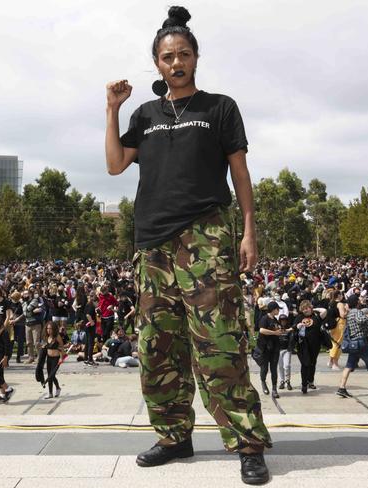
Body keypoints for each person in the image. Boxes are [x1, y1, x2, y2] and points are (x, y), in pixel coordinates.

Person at [105, 6, 270, 483]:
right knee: (158, 346)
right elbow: (116, 165)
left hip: (207, 235)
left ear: (195, 58)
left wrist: (249, 230)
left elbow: (240, 173)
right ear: (156, 63)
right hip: (152, 242)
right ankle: (174, 436)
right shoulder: (145, 114)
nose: (175, 63)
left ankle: (247, 443)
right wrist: (113, 109)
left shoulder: (219, 108)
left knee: (218, 344)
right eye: (166, 57)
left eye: (182, 54)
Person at [294, 300, 323, 394]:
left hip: (315, 345)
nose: (306, 310)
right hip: (302, 345)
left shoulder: (316, 317)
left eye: (307, 308)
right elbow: (293, 327)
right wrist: (297, 326)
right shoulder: (299, 317)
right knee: (305, 364)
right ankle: (304, 384)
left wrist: (313, 309)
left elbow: (324, 311)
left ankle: (310, 381)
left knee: (312, 363)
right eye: (304, 309)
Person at [257, 302, 284, 398]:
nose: (279, 311)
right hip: (265, 348)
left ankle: (274, 389)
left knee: (274, 369)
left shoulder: (275, 319)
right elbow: (261, 330)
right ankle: (263, 383)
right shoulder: (265, 318)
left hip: (275, 348)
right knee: (264, 368)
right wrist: (274, 333)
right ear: (273, 309)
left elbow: (278, 330)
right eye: (278, 309)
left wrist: (282, 331)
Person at [43, 321, 65, 399]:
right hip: (49, 358)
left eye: (50, 329)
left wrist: (61, 358)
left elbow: (62, 347)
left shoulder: (57, 337)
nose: (48, 330)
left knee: (51, 375)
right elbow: (46, 347)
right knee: (50, 375)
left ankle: (57, 388)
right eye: (47, 328)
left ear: (54, 329)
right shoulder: (47, 337)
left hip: (56, 358)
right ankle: (50, 393)